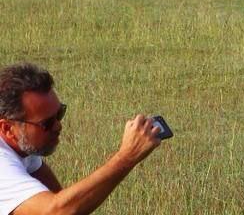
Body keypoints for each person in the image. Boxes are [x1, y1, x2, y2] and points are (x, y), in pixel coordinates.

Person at [0, 63, 165, 215]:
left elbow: (61, 199)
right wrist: (126, 157)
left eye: (60, 114)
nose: (58, 126)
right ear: (7, 129)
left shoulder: (22, 146)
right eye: (46, 123)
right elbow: (56, 212)